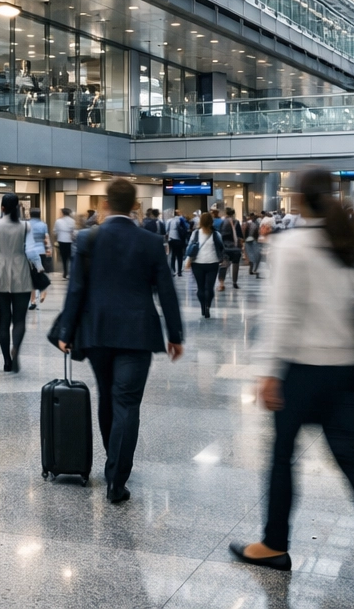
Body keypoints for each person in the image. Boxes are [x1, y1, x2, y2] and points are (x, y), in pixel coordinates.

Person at [231, 167, 354, 605]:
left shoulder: (292, 246)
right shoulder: (350, 243)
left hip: (304, 370)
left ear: (298, 199)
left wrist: (268, 372)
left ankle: (274, 543)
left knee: (282, 455)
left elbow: (282, 314)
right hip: (352, 371)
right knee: (351, 457)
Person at [53, 179, 184, 504]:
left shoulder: (88, 238)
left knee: (106, 397)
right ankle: (116, 478)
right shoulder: (151, 241)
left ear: (106, 204)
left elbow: (76, 289)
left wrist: (66, 332)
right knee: (127, 402)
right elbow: (166, 290)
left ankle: (114, 459)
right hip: (138, 333)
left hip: (97, 332)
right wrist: (175, 335)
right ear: (135, 206)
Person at [0, 193, 33, 372]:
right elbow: (32, 251)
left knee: (3, 320)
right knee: (19, 319)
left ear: (2, 208)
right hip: (21, 271)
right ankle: (16, 349)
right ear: (18, 207)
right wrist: (40, 268)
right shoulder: (26, 226)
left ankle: (6, 361)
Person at [183, 214, 224, 319]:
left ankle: (203, 306)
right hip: (212, 263)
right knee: (209, 288)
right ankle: (207, 307)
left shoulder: (195, 233)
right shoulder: (216, 234)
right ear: (211, 222)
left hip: (198, 264)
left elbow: (189, 247)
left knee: (201, 288)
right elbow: (221, 247)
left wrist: (188, 261)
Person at [26, 207, 51, 311]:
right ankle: (43, 292)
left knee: (31, 276)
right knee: (40, 273)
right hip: (41, 251)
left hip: (29, 252)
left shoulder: (27, 224)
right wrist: (48, 249)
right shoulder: (43, 225)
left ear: (30, 214)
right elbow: (46, 238)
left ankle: (32, 301)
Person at [218, 208, 245, 290]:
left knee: (224, 264)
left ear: (226, 213)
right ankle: (234, 282)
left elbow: (220, 234)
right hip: (235, 246)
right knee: (236, 264)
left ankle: (221, 283)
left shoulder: (223, 222)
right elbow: (240, 235)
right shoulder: (236, 222)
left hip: (225, 246)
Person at [53, 207, 76, 276]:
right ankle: (71, 271)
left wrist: (55, 238)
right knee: (70, 257)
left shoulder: (58, 221)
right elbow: (74, 231)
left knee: (63, 257)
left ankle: (65, 272)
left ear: (63, 213)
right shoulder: (73, 221)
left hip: (61, 240)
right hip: (70, 241)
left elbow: (55, 231)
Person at [166, 209, 189, 277]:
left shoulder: (169, 221)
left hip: (171, 239)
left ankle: (173, 270)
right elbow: (186, 227)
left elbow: (166, 230)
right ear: (178, 213)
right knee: (180, 255)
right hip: (179, 240)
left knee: (173, 255)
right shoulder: (181, 219)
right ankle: (179, 271)